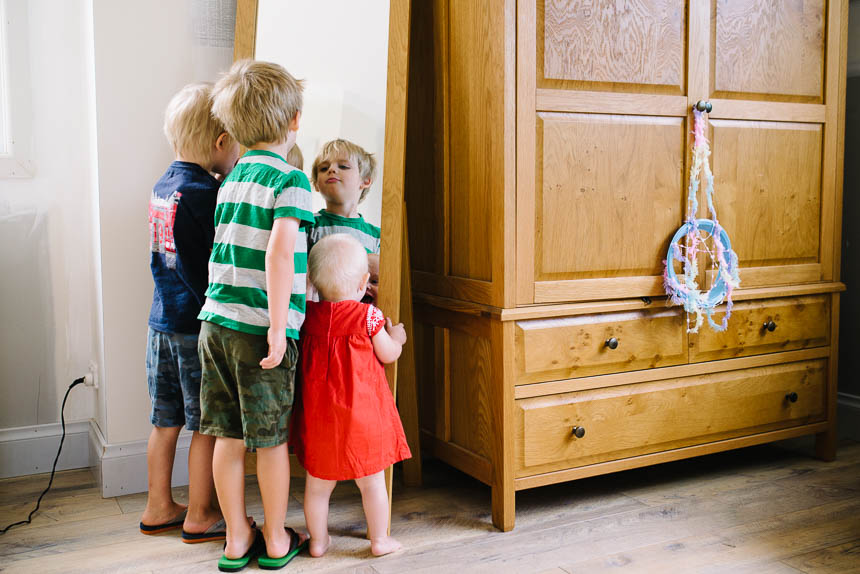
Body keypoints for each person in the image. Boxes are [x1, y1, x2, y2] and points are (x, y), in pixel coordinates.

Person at [197, 59, 314, 572]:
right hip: (257, 329)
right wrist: (275, 327)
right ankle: (273, 539)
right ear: (294, 120)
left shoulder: (231, 178)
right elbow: (279, 253)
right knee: (269, 439)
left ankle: (235, 539)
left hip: (215, 323)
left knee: (227, 434)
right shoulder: (291, 181)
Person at [141, 82, 241, 544]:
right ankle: (200, 513)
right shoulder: (206, 193)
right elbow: (211, 262)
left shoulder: (165, 184)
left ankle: (158, 505)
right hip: (192, 327)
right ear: (222, 143)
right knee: (206, 422)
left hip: (161, 321)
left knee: (165, 420)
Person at [290, 234, 411, 558]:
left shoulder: (308, 318)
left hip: (319, 421)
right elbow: (387, 355)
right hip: (362, 422)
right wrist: (396, 337)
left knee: (316, 487)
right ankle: (380, 540)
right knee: (371, 484)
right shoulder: (368, 317)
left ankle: (318, 541)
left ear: (313, 282)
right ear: (363, 283)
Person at [308, 139, 381, 255]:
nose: (331, 169)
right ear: (316, 184)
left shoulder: (378, 238)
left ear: (366, 180)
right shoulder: (307, 224)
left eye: (343, 166)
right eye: (323, 169)